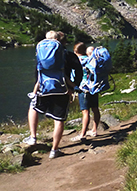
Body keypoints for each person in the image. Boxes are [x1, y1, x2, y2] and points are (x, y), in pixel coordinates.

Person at [23, 31, 81, 159]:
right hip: (62, 88)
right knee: (58, 119)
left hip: (43, 87)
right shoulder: (69, 55)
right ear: (63, 42)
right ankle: (54, 150)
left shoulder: (42, 53)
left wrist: (37, 88)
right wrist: (74, 86)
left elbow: (37, 71)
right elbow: (79, 71)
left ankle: (33, 137)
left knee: (33, 108)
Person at [71, 44, 101, 142]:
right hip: (93, 87)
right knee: (95, 108)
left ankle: (82, 134)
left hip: (83, 88)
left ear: (75, 51)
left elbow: (73, 75)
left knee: (85, 111)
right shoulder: (91, 59)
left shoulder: (78, 61)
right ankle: (94, 130)